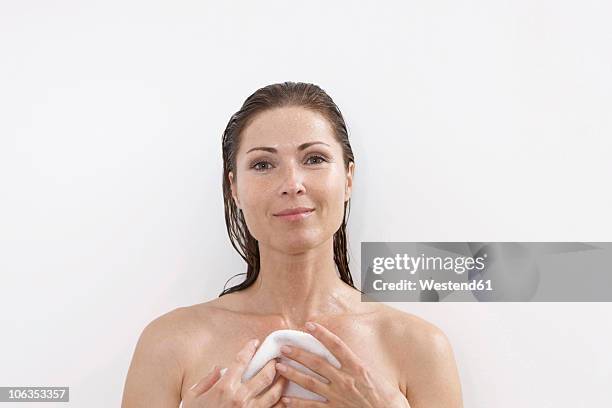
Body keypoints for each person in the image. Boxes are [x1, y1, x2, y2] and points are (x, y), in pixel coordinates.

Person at [121, 82, 463, 407]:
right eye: (263, 164)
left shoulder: (418, 347)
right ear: (234, 189)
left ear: (348, 179)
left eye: (314, 159)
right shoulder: (170, 345)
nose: (292, 183)